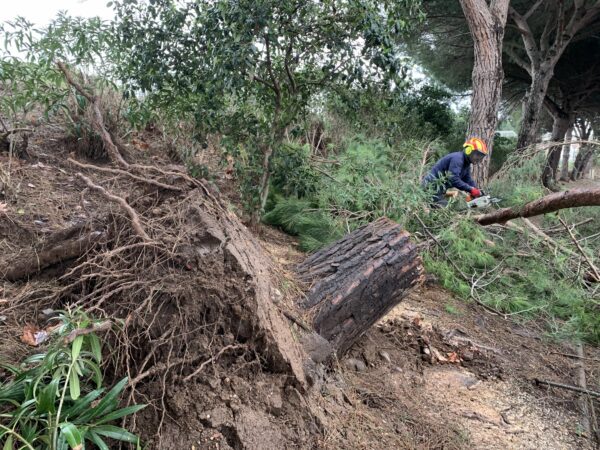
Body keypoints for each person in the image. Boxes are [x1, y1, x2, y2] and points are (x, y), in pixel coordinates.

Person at [422, 137, 488, 207]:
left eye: (481, 156)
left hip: (438, 190)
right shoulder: (457, 159)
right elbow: (453, 179)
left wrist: (476, 190)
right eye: (477, 155)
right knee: (443, 208)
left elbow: (468, 179)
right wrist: (471, 189)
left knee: (445, 206)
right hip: (430, 188)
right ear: (469, 150)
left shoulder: (466, 164)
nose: (478, 158)